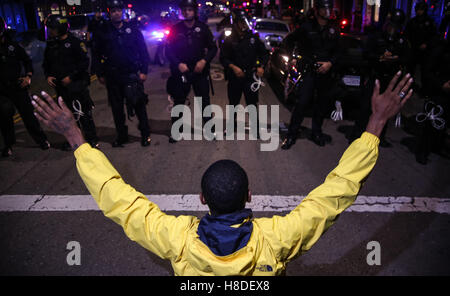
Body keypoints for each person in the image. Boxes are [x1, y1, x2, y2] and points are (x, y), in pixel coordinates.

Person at [31, 71, 413, 276]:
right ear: (250, 196)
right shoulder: (276, 240)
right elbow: (337, 191)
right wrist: (376, 122)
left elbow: (116, 199)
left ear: (201, 199)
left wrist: (74, 136)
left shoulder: (176, 240)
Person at [281, 0, 341, 150]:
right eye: (324, 9)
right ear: (317, 10)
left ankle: (316, 133)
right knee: (301, 104)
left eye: (329, 8)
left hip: (325, 74)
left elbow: (339, 51)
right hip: (309, 72)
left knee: (321, 106)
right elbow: (288, 41)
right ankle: (291, 135)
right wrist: (294, 58)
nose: (327, 12)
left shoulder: (333, 29)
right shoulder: (307, 27)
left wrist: (330, 63)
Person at [92, 0, 151, 147]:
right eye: (113, 11)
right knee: (117, 110)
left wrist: (144, 70)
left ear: (122, 12)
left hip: (131, 74)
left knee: (139, 106)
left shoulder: (132, 29)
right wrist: (99, 74)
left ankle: (145, 134)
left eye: (119, 10)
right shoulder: (102, 31)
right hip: (113, 76)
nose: (116, 13)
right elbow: (96, 54)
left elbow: (143, 51)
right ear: (109, 13)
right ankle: (122, 135)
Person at [349, 9, 411, 147]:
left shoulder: (401, 41)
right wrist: (379, 57)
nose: (392, 29)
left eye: (396, 26)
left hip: (390, 79)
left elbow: (407, 58)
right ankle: (356, 135)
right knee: (366, 108)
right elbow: (366, 54)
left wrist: (396, 59)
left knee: (385, 109)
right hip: (375, 76)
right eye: (391, 25)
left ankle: (379, 137)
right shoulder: (376, 37)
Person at [165, 0, 218, 143]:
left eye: (190, 9)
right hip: (182, 71)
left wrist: (204, 60)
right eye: (185, 10)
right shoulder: (175, 29)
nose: (187, 12)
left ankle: (210, 131)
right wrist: (177, 64)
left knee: (204, 102)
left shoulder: (203, 28)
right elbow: (168, 51)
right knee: (179, 102)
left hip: (199, 71)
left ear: (195, 11)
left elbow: (213, 48)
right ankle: (176, 131)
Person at [43, 14, 99, 149]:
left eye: (52, 28)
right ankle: (75, 140)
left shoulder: (75, 42)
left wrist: (71, 77)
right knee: (68, 117)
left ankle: (92, 140)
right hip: (61, 88)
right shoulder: (51, 45)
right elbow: (46, 64)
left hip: (76, 86)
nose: (50, 31)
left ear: (60, 28)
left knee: (83, 114)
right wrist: (48, 75)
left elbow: (84, 63)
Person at [0, 16, 50, 157]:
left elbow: (27, 61)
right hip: (2, 91)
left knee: (28, 116)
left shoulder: (13, 46)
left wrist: (28, 76)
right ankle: (8, 145)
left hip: (18, 86)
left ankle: (42, 140)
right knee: (5, 117)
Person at [219, 9, 269, 136]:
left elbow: (264, 54)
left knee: (252, 103)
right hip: (235, 76)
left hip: (250, 76)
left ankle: (256, 128)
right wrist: (233, 67)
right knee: (233, 103)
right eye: (241, 22)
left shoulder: (253, 38)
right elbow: (223, 58)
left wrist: (261, 66)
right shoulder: (229, 39)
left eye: (245, 22)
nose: (243, 25)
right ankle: (231, 125)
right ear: (235, 23)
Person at [414, 35, 450, 164]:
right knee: (431, 122)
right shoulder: (440, 50)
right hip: (437, 92)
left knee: (443, 123)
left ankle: (437, 146)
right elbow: (427, 71)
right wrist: (441, 84)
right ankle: (422, 152)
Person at [404, 2, 437, 96]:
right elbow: (407, 34)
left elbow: (434, 36)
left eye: (421, 10)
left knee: (425, 71)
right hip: (413, 49)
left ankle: (424, 90)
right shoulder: (412, 21)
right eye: (418, 10)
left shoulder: (429, 22)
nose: (419, 12)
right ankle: (408, 86)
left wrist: (427, 44)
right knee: (410, 69)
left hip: (425, 51)